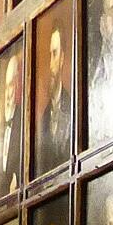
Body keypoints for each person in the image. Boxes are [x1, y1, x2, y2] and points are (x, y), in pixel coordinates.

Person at [36, 26, 73, 170]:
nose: (51, 64)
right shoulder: (43, 119)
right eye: (49, 55)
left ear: (62, 58)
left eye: (55, 54)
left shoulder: (72, 108)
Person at [0, 52, 25, 198]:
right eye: (6, 87)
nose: (8, 94)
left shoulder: (22, 125)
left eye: (11, 85)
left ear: (18, 86)